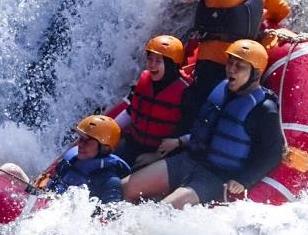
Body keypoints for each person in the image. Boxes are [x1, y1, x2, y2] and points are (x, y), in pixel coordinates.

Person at [120, 39, 284, 208]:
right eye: (230, 63)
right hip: (188, 159)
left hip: (215, 176)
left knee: (162, 210)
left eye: (239, 66)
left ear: (256, 74)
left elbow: (272, 154)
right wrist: (177, 143)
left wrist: (244, 180)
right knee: (124, 188)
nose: (231, 69)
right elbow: (202, 127)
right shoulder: (218, 88)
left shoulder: (264, 109)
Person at [159, 0, 290, 115]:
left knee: (197, 112)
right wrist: (259, 18)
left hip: (212, 63)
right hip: (243, 67)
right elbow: (283, 10)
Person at [1, 115, 131, 204]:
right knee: (10, 169)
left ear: (104, 148)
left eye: (88, 141)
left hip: (59, 221)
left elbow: (109, 221)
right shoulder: (72, 159)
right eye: (81, 138)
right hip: (43, 201)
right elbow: (49, 182)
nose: (80, 144)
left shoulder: (110, 181)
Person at [114, 35, 194, 169]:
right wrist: (110, 129)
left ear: (171, 65)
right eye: (150, 59)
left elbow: (190, 130)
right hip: (134, 141)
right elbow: (131, 111)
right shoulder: (144, 80)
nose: (152, 65)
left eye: (158, 61)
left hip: (163, 151)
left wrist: (156, 155)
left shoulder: (186, 92)